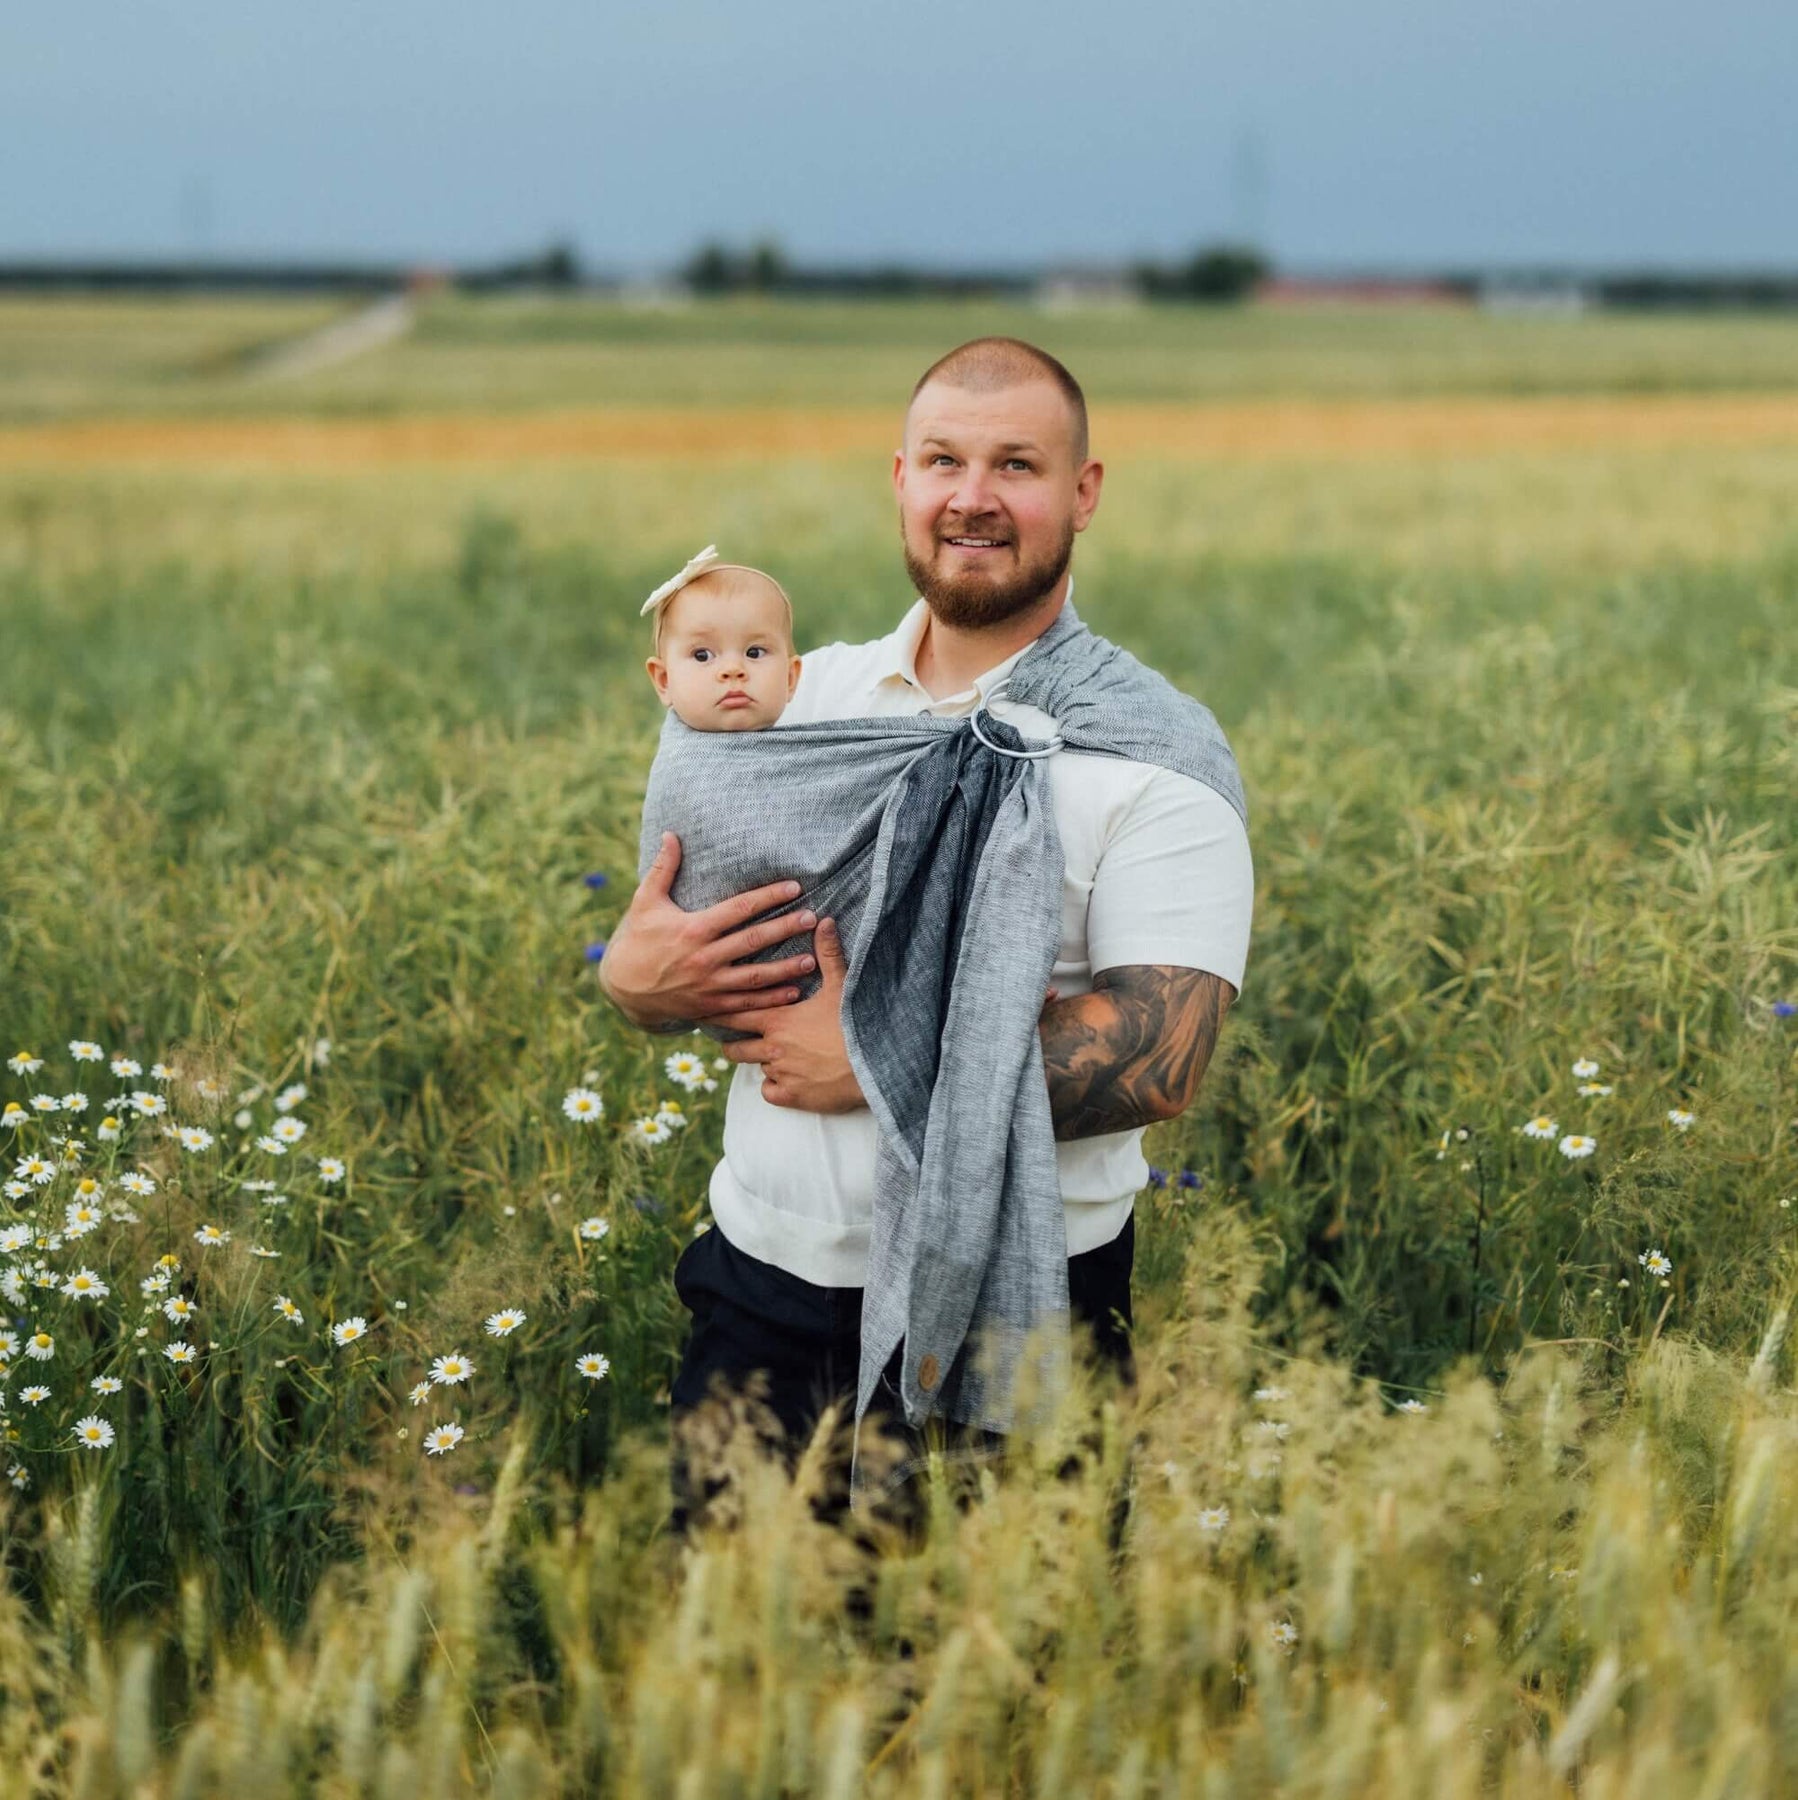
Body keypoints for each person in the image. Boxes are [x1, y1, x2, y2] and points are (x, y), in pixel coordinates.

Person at [601, 337, 1254, 1533]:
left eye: (1017, 466)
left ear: (1083, 492)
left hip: (1017, 1315)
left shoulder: (1151, 754)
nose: (973, 498)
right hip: (763, 1294)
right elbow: (677, 918)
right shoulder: (799, 700)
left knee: (1004, 1654)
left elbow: (1163, 1054)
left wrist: (876, 1060)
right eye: (944, 461)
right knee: (735, 1651)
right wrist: (639, 983)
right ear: (900, 480)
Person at [641, 547, 804, 733]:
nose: (733, 669)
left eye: (754, 653)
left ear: (790, 678)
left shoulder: (813, 744)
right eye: (702, 655)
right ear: (664, 680)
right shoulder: (682, 753)